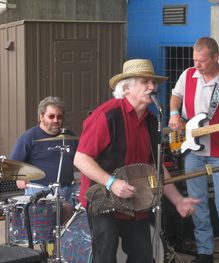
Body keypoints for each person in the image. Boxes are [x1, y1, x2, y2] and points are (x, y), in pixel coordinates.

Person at [74, 59, 199, 263]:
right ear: (126, 88)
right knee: (104, 258)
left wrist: (177, 200)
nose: (152, 87)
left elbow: (156, 168)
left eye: (153, 82)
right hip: (103, 200)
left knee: (142, 256)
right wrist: (111, 183)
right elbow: (80, 158)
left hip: (136, 200)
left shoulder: (152, 121)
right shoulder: (107, 115)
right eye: (145, 82)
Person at [168, 37, 219, 263]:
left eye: (201, 61)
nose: (197, 65)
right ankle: (204, 252)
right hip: (192, 151)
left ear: (215, 57)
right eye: (194, 60)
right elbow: (176, 95)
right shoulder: (188, 75)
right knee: (197, 203)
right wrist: (174, 113)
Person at [10, 96, 79, 205]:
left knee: (85, 212)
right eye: (51, 116)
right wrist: (19, 178)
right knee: (48, 221)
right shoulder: (29, 137)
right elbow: (13, 165)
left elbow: (82, 159)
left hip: (69, 189)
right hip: (40, 191)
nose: (56, 120)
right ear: (41, 117)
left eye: (59, 116)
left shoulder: (70, 136)